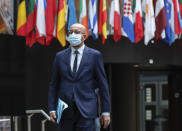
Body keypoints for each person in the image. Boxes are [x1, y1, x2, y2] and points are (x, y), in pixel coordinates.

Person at [48, 23, 111, 131]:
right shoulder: (60, 56)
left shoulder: (95, 56)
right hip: (65, 110)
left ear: (84, 37)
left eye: (76, 32)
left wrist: (106, 112)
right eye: (70, 32)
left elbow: (103, 85)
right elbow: (54, 85)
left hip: (87, 109)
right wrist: (52, 108)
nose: (72, 35)